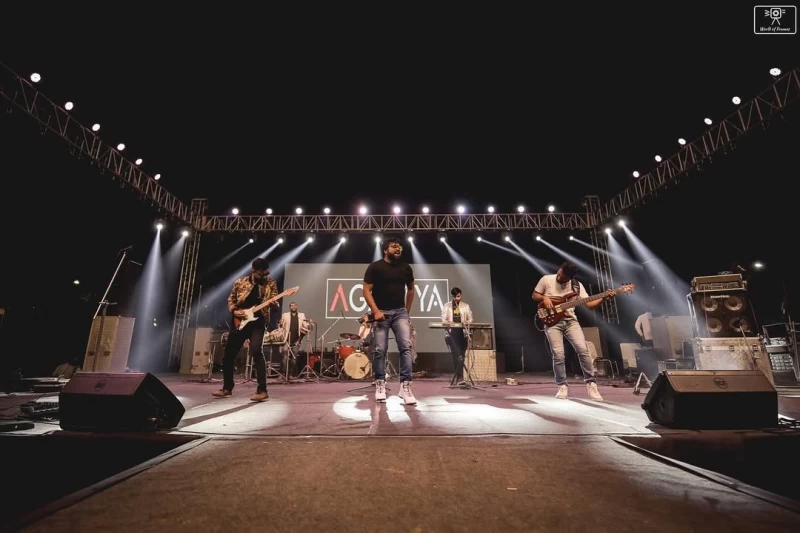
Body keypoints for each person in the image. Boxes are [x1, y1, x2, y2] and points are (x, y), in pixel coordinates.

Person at [533, 261, 615, 401]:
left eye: (564, 278)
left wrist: (603, 298)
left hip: (571, 321)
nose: (560, 278)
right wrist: (544, 297)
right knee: (559, 354)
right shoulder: (546, 279)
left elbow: (590, 305)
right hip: (552, 323)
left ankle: (591, 384)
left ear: (570, 278)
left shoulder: (577, 286)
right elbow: (535, 295)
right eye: (560, 274)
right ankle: (562, 385)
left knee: (583, 350)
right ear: (560, 269)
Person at [213, 258, 280, 402]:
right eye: (261, 274)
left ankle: (262, 390)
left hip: (258, 322)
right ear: (253, 271)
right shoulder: (240, 282)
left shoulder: (270, 283)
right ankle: (227, 388)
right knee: (229, 355)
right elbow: (231, 300)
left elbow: (276, 306)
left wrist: (274, 304)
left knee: (257, 351)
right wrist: (234, 311)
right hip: (240, 321)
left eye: (266, 273)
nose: (264, 276)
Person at [362, 237, 417, 405]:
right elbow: (366, 290)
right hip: (382, 313)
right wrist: (376, 311)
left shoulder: (405, 267)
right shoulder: (375, 267)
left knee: (406, 346)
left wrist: (406, 311)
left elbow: (411, 289)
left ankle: (405, 386)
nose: (398, 249)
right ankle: (380, 383)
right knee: (380, 349)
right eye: (394, 246)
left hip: (400, 312)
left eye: (399, 246)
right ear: (385, 250)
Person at [440, 287, 473, 383]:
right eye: (455, 297)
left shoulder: (465, 306)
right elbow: (443, 319)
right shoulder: (447, 306)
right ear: (452, 296)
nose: (457, 298)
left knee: (462, 355)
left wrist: (466, 322)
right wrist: (449, 323)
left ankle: (460, 377)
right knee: (456, 355)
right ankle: (459, 377)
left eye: (459, 296)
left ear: (461, 295)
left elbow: (470, 319)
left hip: (463, 333)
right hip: (452, 334)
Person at [279, 302, 309, 378]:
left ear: (297, 307)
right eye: (291, 306)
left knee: (294, 358)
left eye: (294, 305)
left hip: (296, 341)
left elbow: (305, 326)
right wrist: (280, 325)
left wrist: (307, 326)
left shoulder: (301, 315)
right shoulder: (285, 315)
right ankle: (282, 374)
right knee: (284, 357)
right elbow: (281, 326)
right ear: (289, 307)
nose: (293, 307)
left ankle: (290, 374)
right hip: (286, 340)